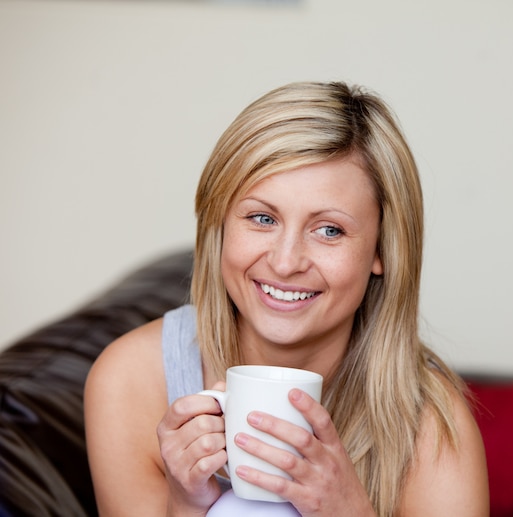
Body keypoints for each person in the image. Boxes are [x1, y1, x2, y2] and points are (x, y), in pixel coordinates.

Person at [85, 81, 489, 517]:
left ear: (381, 250)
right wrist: (184, 506)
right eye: (262, 218)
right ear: (219, 227)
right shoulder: (131, 382)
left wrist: (348, 511)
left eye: (329, 229)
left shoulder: (430, 423)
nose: (285, 262)